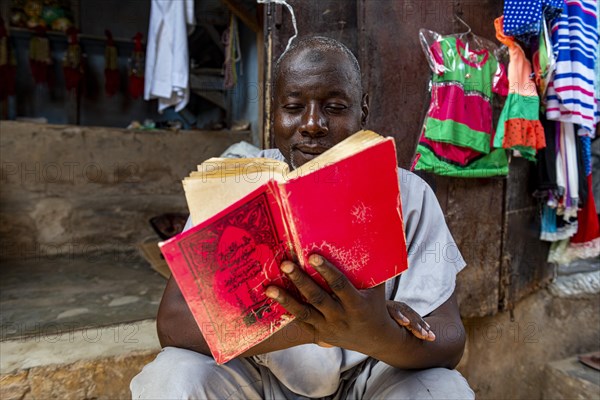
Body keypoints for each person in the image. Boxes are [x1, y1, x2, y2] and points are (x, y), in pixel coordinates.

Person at [131, 36, 474, 399]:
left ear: (364, 111)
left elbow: (449, 340)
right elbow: (173, 325)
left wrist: (377, 333)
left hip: (370, 380)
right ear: (274, 112)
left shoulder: (409, 195)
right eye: (294, 106)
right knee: (173, 376)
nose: (312, 124)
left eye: (336, 107)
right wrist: (319, 327)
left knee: (443, 391)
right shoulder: (236, 186)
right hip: (259, 376)